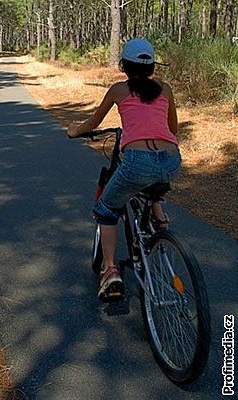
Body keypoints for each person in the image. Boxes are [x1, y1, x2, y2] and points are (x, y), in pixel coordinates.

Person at [67, 38, 181, 301]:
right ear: (152, 66)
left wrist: (74, 130)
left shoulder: (118, 90)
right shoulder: (166, 89)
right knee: (152, 178)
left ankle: (109, 271)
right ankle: (158, 212)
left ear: (124, 67)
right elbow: (172, 130)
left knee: (106, 210)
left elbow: (92, 122)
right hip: (171, 160)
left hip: (137, 162)